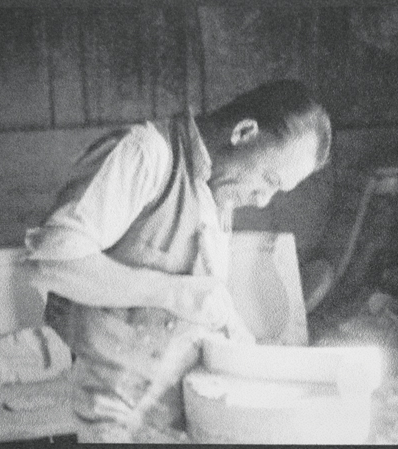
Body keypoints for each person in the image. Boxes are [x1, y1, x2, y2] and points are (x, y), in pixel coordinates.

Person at [25, 79, 332, 442]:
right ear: (244, 132)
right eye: (268, 179)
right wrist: (170, 292)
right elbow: (53, 261)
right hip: (115, 413)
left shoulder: (217, 188)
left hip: (175, 411)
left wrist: (236, 333)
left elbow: (198, 295)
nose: (264, 200)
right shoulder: (146, 154)